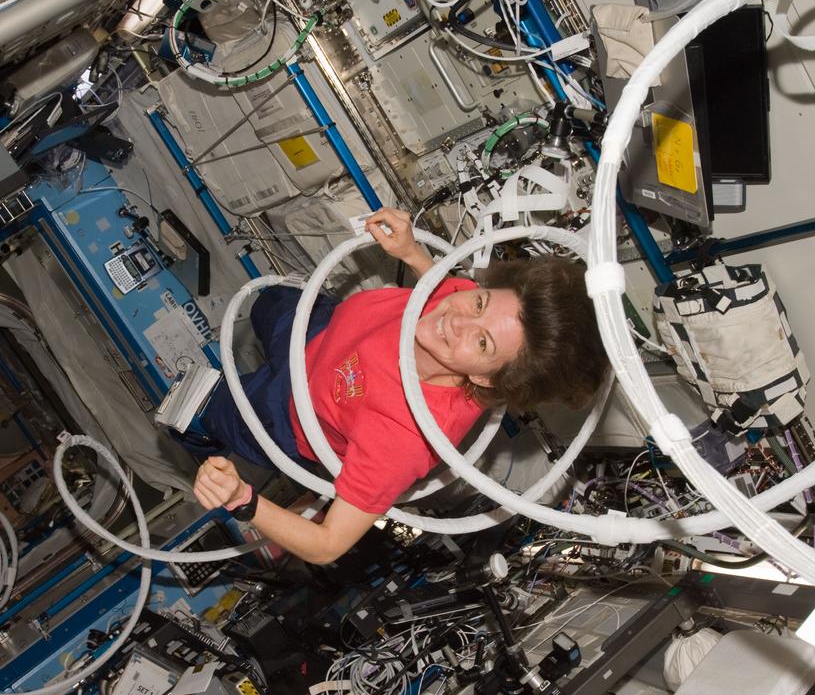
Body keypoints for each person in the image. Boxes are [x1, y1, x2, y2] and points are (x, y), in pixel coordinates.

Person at [192, 208, 606, 565]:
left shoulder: (404, 437)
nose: (457, 319)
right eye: (480, 303)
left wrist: (241, 499)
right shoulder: (470, 303)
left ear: (484, 377)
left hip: (285, 412)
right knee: (270, 299)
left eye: (482, 342)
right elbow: (446, 287)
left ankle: (197, 433)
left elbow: (328, 544)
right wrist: (410, 251)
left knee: (201, 411)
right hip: (319, 329)